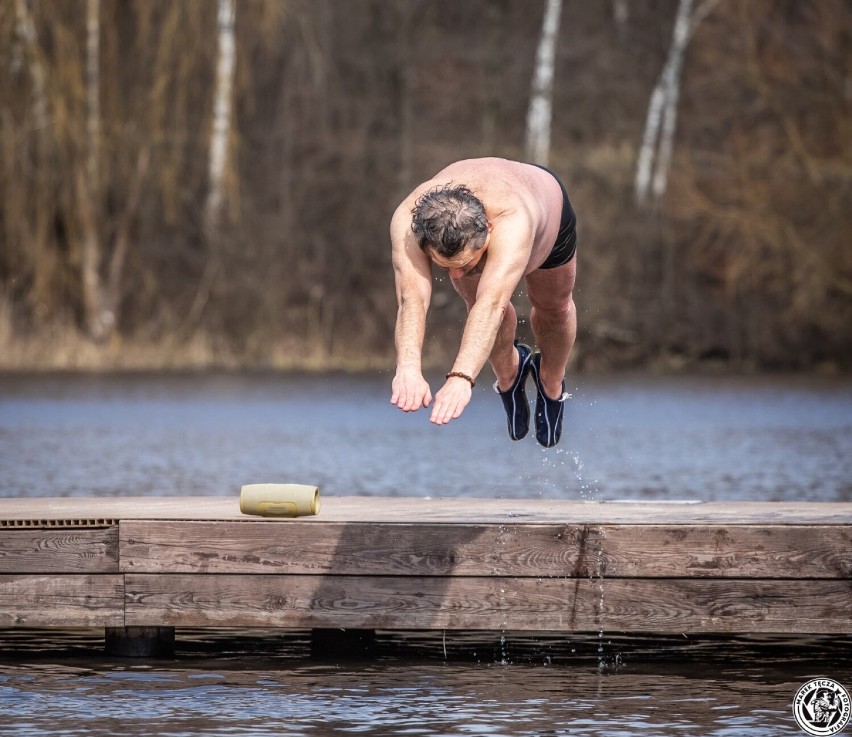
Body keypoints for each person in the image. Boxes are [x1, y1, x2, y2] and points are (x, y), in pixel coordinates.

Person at [389, 157, 578, 447]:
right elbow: (410, 298)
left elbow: (492, 305)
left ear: (488, 230)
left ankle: (551, 383)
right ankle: (509, 377)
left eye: (464, 264)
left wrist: (461, 378)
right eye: (444, 266)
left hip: (546, 215)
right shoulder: (407, 221)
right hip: (487, 212)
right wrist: (408, 369)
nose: (455, 275)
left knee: (553, 306)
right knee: (476, 300)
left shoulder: (511, 219)